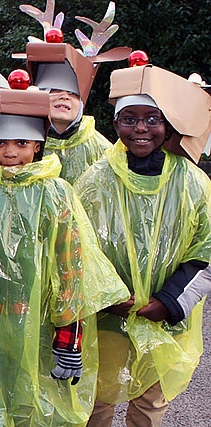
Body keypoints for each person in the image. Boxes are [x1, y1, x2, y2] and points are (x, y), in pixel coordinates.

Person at [0, 81, 129, 426]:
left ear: (39, 146)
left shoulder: (55, 193)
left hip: (39, 321)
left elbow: (70, 264)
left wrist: (69, 336)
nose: (10, 152)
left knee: (35, 400)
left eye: (22, 143)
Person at [75, 62, 211, 427]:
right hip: (107, 317)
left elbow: (206, 249)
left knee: (150, 403)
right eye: (129, 119)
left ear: (168, 127)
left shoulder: (192, 183)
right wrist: (110, 297)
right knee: (97, 398)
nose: (141, 128)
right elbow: (77, 244)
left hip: (165, 319)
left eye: (152, 119)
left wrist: (168, 303)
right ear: (115, 124)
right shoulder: (95, 181)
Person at [21, 0, 130, 184]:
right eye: (54, 90)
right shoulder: (21, 142)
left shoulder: (101, 149)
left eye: (73, 93)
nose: (64, 96)